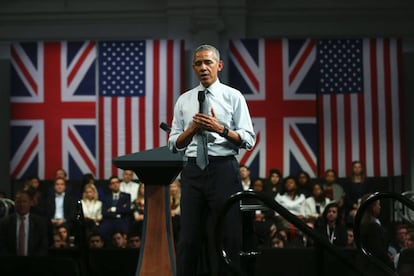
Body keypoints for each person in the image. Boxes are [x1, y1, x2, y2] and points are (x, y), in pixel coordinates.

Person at [168, 44, 256, 276]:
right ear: (194, 68)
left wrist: (220, 129)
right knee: (188, 240)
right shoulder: (184, 100)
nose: (203, 67)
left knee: (228, 237)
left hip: (223, 170)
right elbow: (173, 143)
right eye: (198, 63)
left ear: (219, 65)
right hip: (193, 171)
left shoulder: (233, 96)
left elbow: (248, 139)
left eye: (208, 62)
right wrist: (192, 129)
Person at [0, 189, 48, 256]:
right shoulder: (5, 222)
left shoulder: (39, 223)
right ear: (15, 203)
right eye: (18, 202)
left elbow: (43, 246)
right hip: (10, 263)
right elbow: (2, 245)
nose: (21, 205)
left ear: (30, 203)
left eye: (24, 202)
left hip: (34, 263)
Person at [358, 194, 394, 275]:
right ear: (372, 207)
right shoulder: (372, 226)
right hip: (375, 268)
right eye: (378, 204)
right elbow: (377, 249)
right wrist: (388, 259)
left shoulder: (361, 224)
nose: (380, 207)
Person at [99, 176, 131, 244]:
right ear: (110, 186)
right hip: (109, 221)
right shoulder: (106, 197)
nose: (115, 184)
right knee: (102, 231)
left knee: (125, 229)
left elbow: (127, 210)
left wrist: (114, 209)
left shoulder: (126, 196)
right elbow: (104, 212)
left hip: (122, 220)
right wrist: (119, 212)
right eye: (113, 183)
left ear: (119, 184)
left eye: (117, 182)